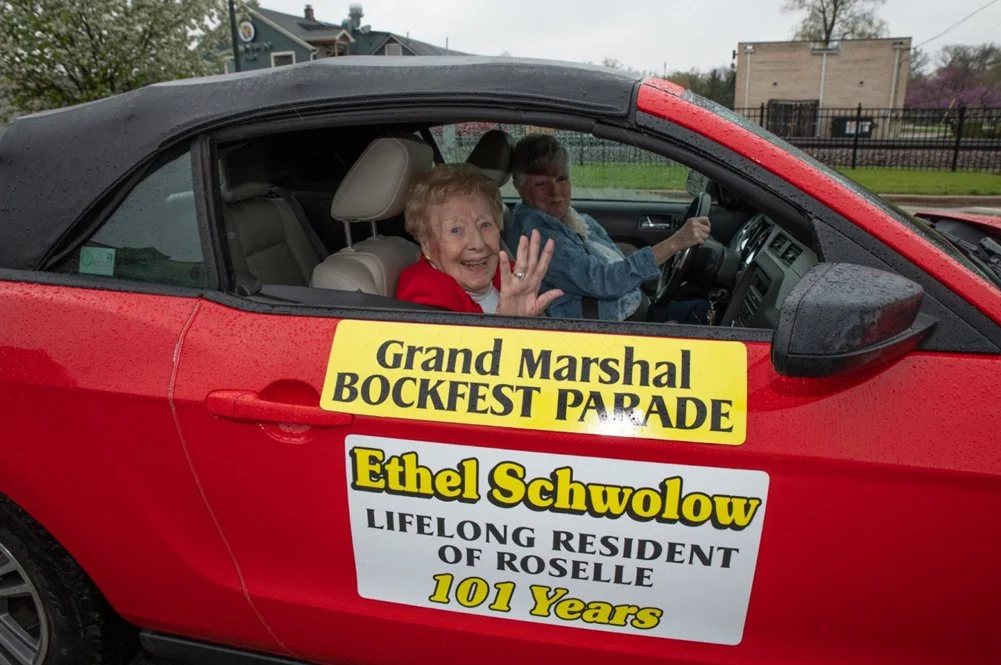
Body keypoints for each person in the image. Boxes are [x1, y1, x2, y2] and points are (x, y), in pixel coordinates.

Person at [505, 134, 711, 323]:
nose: (556, 192)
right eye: (541, 184)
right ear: (519, 186)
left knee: (704, 305)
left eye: (562, 179)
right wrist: (675, 243)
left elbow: (615, 259)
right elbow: (603, 281)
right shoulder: (537, 236)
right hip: (610, 327)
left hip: (632, 307)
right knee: (706, 314)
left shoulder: (570, 218)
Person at [396, 163, 563, 315]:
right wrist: (507, 324)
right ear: (426, 244)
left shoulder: (507, 273)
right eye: (456, 230)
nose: (478, 243)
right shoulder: (423, 294)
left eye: (485, 225)